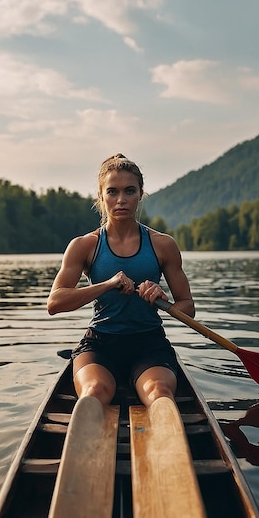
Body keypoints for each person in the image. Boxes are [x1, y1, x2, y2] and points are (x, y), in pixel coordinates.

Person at [47, 153, 195, 407]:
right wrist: (107, 284)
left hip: (149, 344)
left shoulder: (163, 245)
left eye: (129, 191)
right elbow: (55, 303)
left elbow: (188, 307)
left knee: (159, 393)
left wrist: (163, 299)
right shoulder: (84, 246)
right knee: (94, 391)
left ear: (140, 194)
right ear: (101, 196)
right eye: (113, 192)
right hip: (100, 345)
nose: (121, 200)